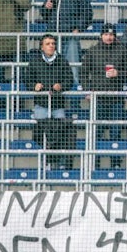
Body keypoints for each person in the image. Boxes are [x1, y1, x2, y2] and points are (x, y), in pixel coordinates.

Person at [82, 24, 127, 168]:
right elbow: (83, 73)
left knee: (115, 132)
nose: (109, 37)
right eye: (106, 34)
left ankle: (116, 164)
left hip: (116, 98)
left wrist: (118, 73)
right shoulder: (92, 51)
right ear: (101, 35)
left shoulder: (122, 50)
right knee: (97, 132)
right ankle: (94, 163)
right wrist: (88, 90)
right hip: (98, 99)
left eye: (111, 35)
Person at [24, 34, 76, 170]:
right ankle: (47, 161)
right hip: (41, 104)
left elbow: (70, 80)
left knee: (60, 134)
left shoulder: (62, 61)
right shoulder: (34, 62)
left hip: (57, 104)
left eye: (53, 43)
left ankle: (55, 162)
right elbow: (27, 79)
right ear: (42, 46)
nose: (51, 46)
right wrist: (33, 86)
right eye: (48, 44)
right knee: (40, 133)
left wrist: (61, 86)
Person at [40, 0, 94, 88]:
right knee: (54, 66)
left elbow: (87, 12)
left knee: (72, 65)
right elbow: (44, 14)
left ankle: (74, 90)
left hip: (70, 34)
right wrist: (45, 8)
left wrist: (79, 28)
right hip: (54, 35)